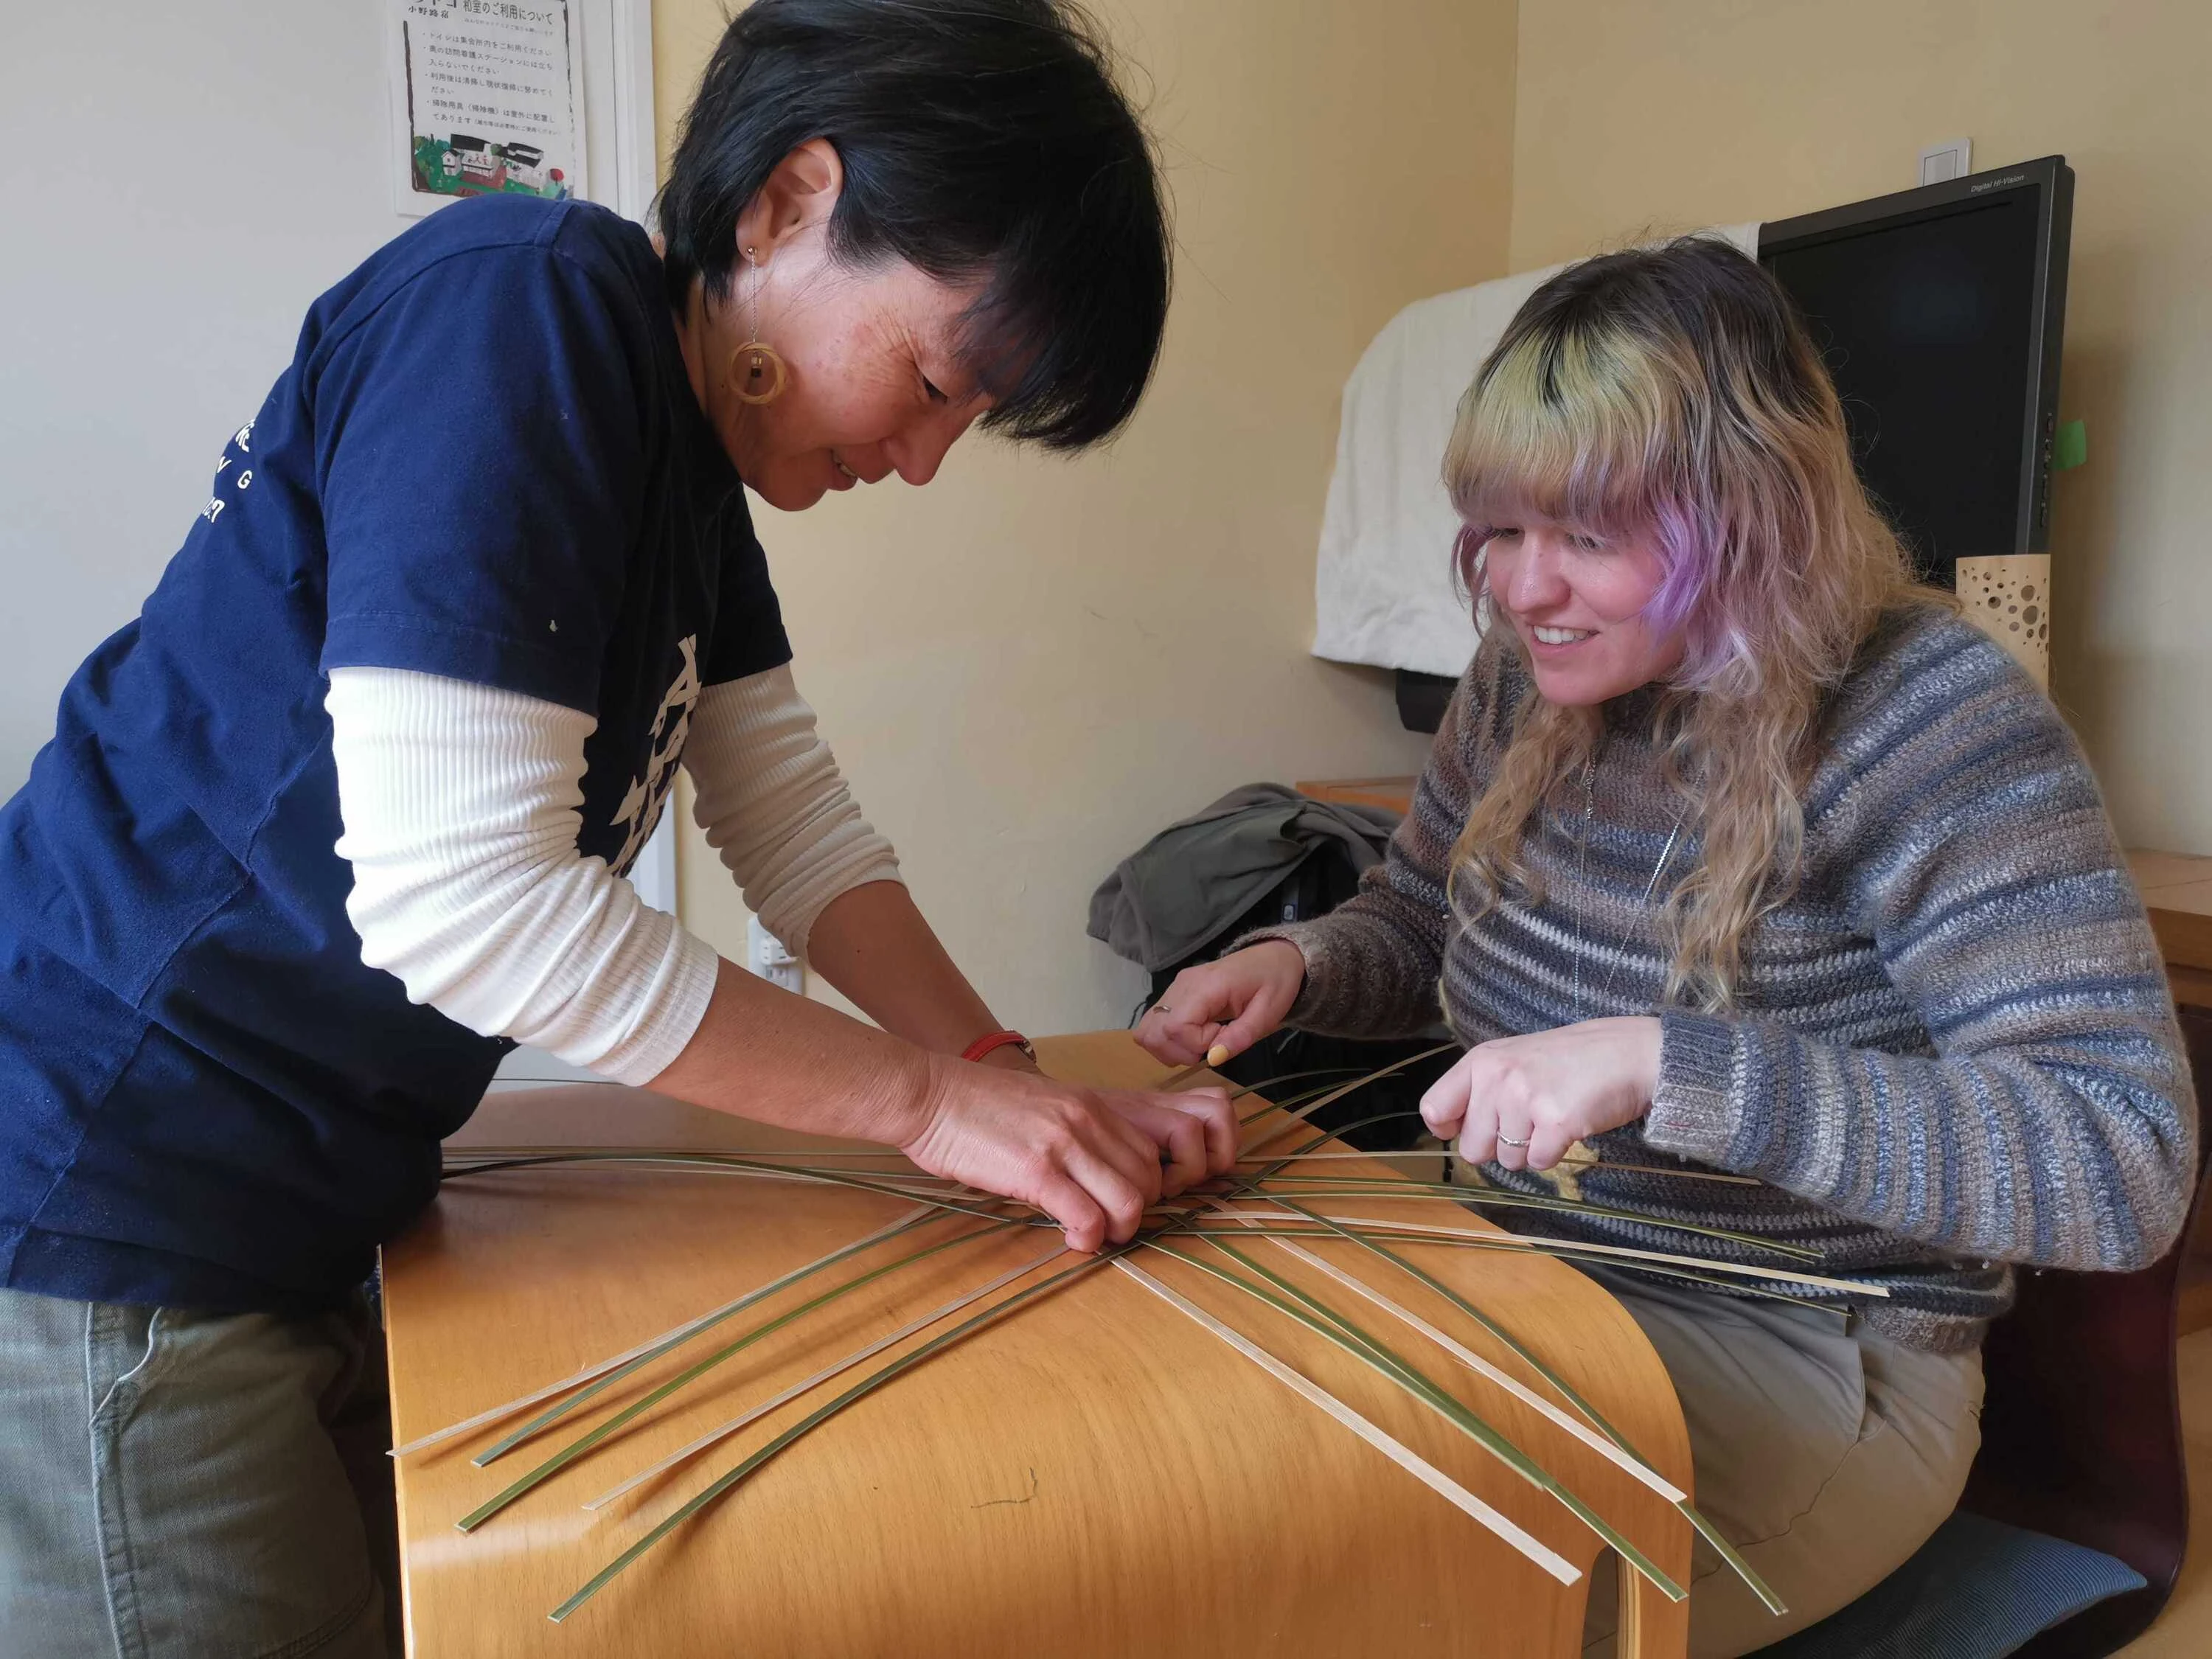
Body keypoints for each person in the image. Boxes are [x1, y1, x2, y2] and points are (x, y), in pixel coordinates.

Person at [0, 4, 1237, 1655]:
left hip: (296, 1195)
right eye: (938, 380)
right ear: (790, 203)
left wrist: (1010, 1085)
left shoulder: (684, 459)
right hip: (117, 1193)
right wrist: (932, 1116)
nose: (928, 460)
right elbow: (471, 910)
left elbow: (792, 827)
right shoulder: (521, 309)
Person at [1137, 237, 2197, 1655]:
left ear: (1755, 514)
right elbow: (1419, 911)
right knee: (1177, 1480)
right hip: (1519, 1266)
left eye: (1584, 534)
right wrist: (1307, 965)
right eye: (1499, 529)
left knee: (1378, 1600)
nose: (1521, 587)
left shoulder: (1932, 719)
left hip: (1815, 1356)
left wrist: (1670, 1065)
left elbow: (2118, 1158)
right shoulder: (1525, 679)